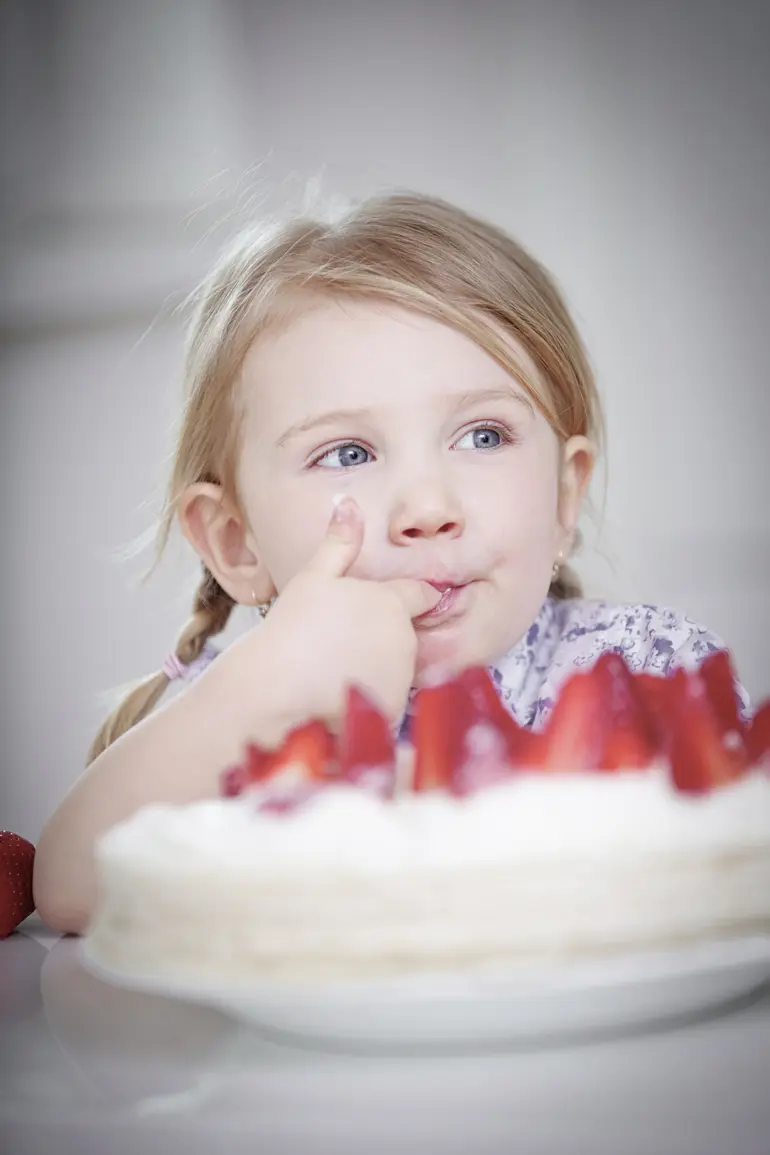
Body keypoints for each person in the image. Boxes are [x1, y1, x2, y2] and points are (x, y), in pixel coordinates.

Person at [32, 191, 748, 933]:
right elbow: (72, 885)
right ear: (236, 544)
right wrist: (265, 685)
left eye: (483, 436)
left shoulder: (644, 672)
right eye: (347, 453)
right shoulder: (245, 713)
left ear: (565, 495)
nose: (427, 506)